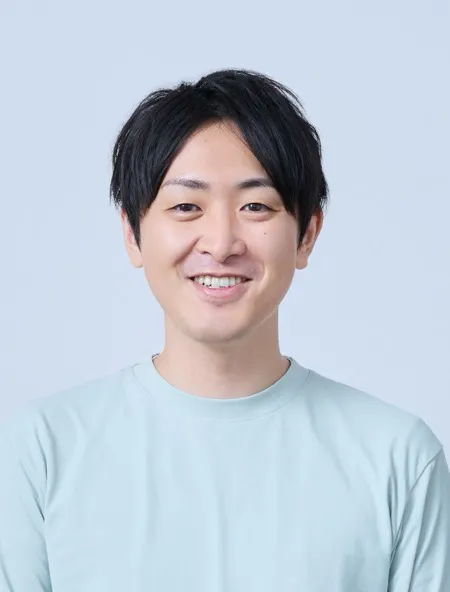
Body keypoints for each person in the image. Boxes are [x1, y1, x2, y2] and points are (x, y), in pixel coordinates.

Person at [1, 69, 449, 592]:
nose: (220, 242)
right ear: (132, 234)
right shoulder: (40, 451)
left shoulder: (398, 458)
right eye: (186, 206)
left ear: (307, 234)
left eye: (255, 206)